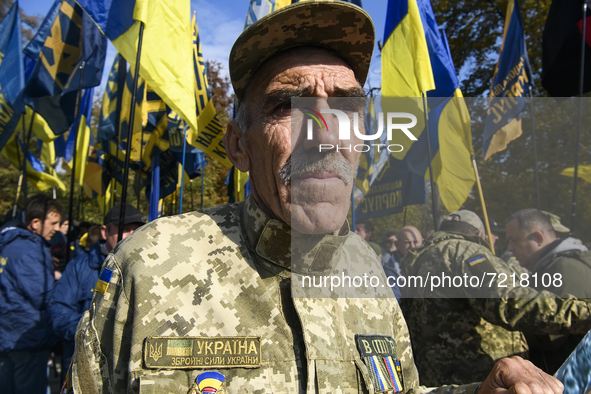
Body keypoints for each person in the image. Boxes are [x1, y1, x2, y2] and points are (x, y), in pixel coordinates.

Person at [69, 2, 565, 393]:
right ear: (239, 145)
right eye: (289, 103)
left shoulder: (366, 268)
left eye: (347, 105)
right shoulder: (148, 265)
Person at [399, 209, 591, 386]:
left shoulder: (417, 263)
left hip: (437, 382)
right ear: (479, 235)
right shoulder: (465, 252)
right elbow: (509, 302)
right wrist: (585, 312)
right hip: (479, 380)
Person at [49, 204, 145, 382]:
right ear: (104, 232)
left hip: (127, 374)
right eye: (124, 229)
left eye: (137, 230)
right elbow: (59, 314)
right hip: (83, 368)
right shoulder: (79, 267)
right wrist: (92, 334)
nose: (132, 236)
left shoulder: (146, 270)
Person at [505, 208, 591, 373]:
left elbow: (554, 332)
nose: (509, 248)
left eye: (514, 240)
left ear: (538, 237)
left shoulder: (564, 268)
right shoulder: (554, 266)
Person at [0, 193, 64, 394]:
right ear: (35, 222)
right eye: (53, 223)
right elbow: (42, 295)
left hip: (8, 334)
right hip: (26, 336)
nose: (56, 229)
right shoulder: (27, 249)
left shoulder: (10, 243)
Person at [384, 226, 423, 300]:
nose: (412, 247)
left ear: (422, 243)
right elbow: (396, 303)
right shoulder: (390, 270)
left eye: (416, 242)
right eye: (407, 243)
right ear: (396, 244)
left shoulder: (431, 263)